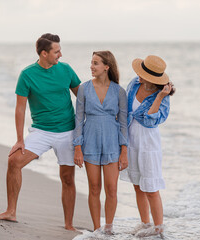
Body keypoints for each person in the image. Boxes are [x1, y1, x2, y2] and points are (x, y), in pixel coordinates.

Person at [0, 33, 81, 231]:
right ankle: (11, 211)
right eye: (56, 51)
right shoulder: (27, 74)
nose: (60, 54)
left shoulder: (66, 70)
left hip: (68, 132)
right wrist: (19, 140)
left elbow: (83, 99)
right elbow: (20, 109)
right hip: (41, 131)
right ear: (44, 53)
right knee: (14, 161)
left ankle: (69, 225)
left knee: (67, 177)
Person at [73, 51, 128, 234]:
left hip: (112, 143)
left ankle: (109, 228)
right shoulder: (84, 89)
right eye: (91, 63)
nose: (91, 66)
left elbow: (123, 123)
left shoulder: (119, 91)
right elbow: (78, 119)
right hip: (90, 142)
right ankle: (97, 229)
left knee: (111, 189)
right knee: (94, 188)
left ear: (107, 66)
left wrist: (124, 151)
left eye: (95, 63)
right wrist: (78, 148)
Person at [120, 55, 175, 237]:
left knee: (151, 188)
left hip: (148, 142)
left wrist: (159, 97)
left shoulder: (162, 97)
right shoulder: (134, 84)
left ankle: (159, 229)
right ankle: (145, 224)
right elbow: (125, 110)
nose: (138, 75)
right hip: (131, 139)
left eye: (142, 74)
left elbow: (150, 121)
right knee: (137, 185)